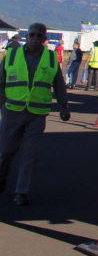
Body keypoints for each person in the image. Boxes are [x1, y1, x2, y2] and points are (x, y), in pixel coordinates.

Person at [0, 23, 70, 205]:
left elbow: (59, 84)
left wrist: (64, 105)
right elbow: (1, 80)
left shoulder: (51, 58)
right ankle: (2, 177)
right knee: (6, 152)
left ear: (44, 39)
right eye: (32, 35)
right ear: (26, 36)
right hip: (12, 111)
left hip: (37, 113)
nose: (35, 38)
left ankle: (21, 192)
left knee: (30, 155)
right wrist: (2, 104)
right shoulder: (12, 55)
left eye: (39, 36)